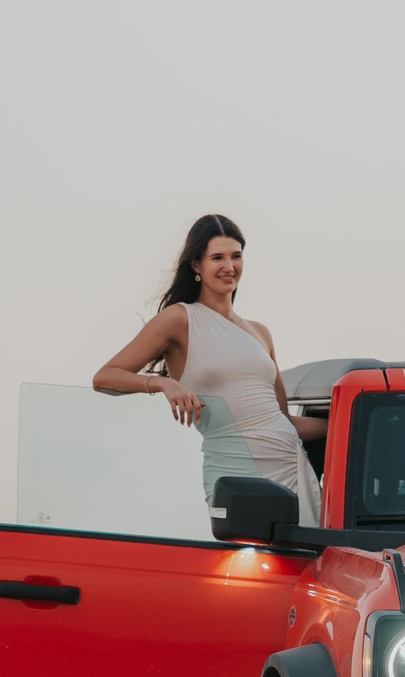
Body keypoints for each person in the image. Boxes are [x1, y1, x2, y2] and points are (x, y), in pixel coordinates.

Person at [92, 214, 324, 523]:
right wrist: (163, 384)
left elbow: (285, 422)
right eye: (218, 257)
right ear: (196, 266)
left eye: (236, 256)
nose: (229, 267)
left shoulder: (260, 332)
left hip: (292, 468)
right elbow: (105, 377)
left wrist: (357, 425)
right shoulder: (180, 319)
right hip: (237, 476)